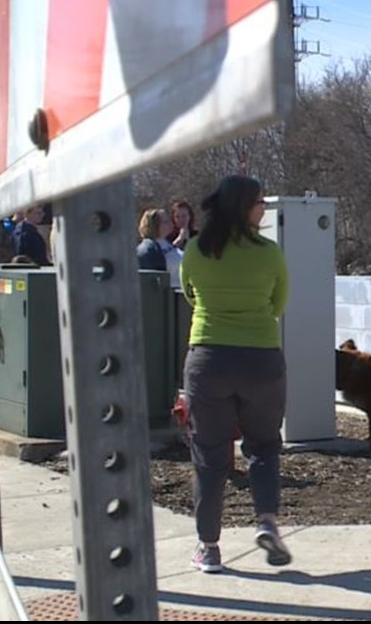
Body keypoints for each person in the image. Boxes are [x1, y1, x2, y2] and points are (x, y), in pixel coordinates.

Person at [179, 175, 292, 573]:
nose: (264, 208)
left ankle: (208, 547)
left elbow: (190, 294)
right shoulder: (269, 253)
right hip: (261, 358)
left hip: (208, 358)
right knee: (263, 447)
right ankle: (266, 521)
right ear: (246, 208)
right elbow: (278, 303)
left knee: (209, 456)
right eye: (261, 202)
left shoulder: (195, 249)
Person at [137, 208, 184, 287]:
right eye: (165, 222)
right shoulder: (149, 248)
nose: (170, 223)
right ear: (154, 225)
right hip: (169, 293)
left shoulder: (167, 243)